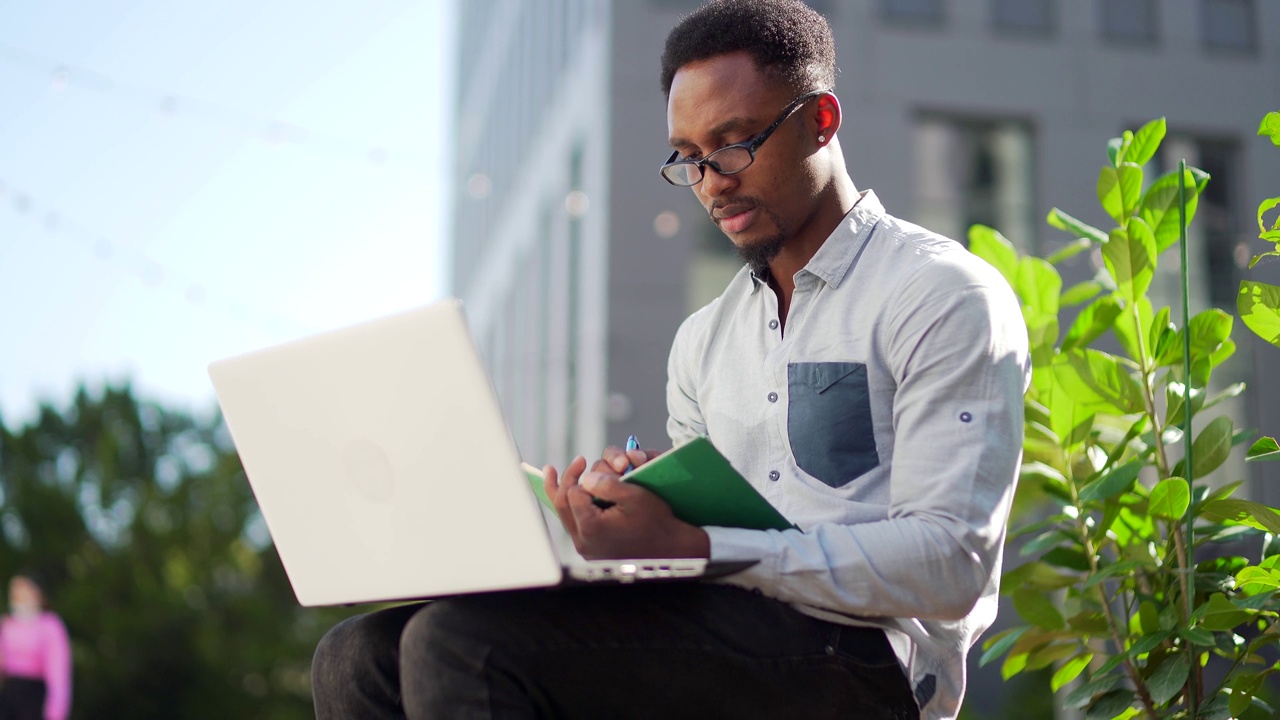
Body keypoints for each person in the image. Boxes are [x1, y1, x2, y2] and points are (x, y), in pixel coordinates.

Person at [311, 1, 1029, 718]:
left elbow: (951, 564)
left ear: (822, 120)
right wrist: (633, 518)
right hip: (726, 638)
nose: (712, 180)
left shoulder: (939, 292)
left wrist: (702, 544)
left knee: (462, 643)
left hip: (873, 665)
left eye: (736, 141)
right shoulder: (703, 341)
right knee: (355, 655)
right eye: (688, 158)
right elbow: (698, 561)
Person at [0, 574, 72, 720]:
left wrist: (55, 714)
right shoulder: (6, 625)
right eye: (14, 591)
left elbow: (58, 674)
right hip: (7, 698)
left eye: (23, 589)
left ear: (38, 594)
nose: (17, 595)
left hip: (34, 699)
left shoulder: (50, 625)